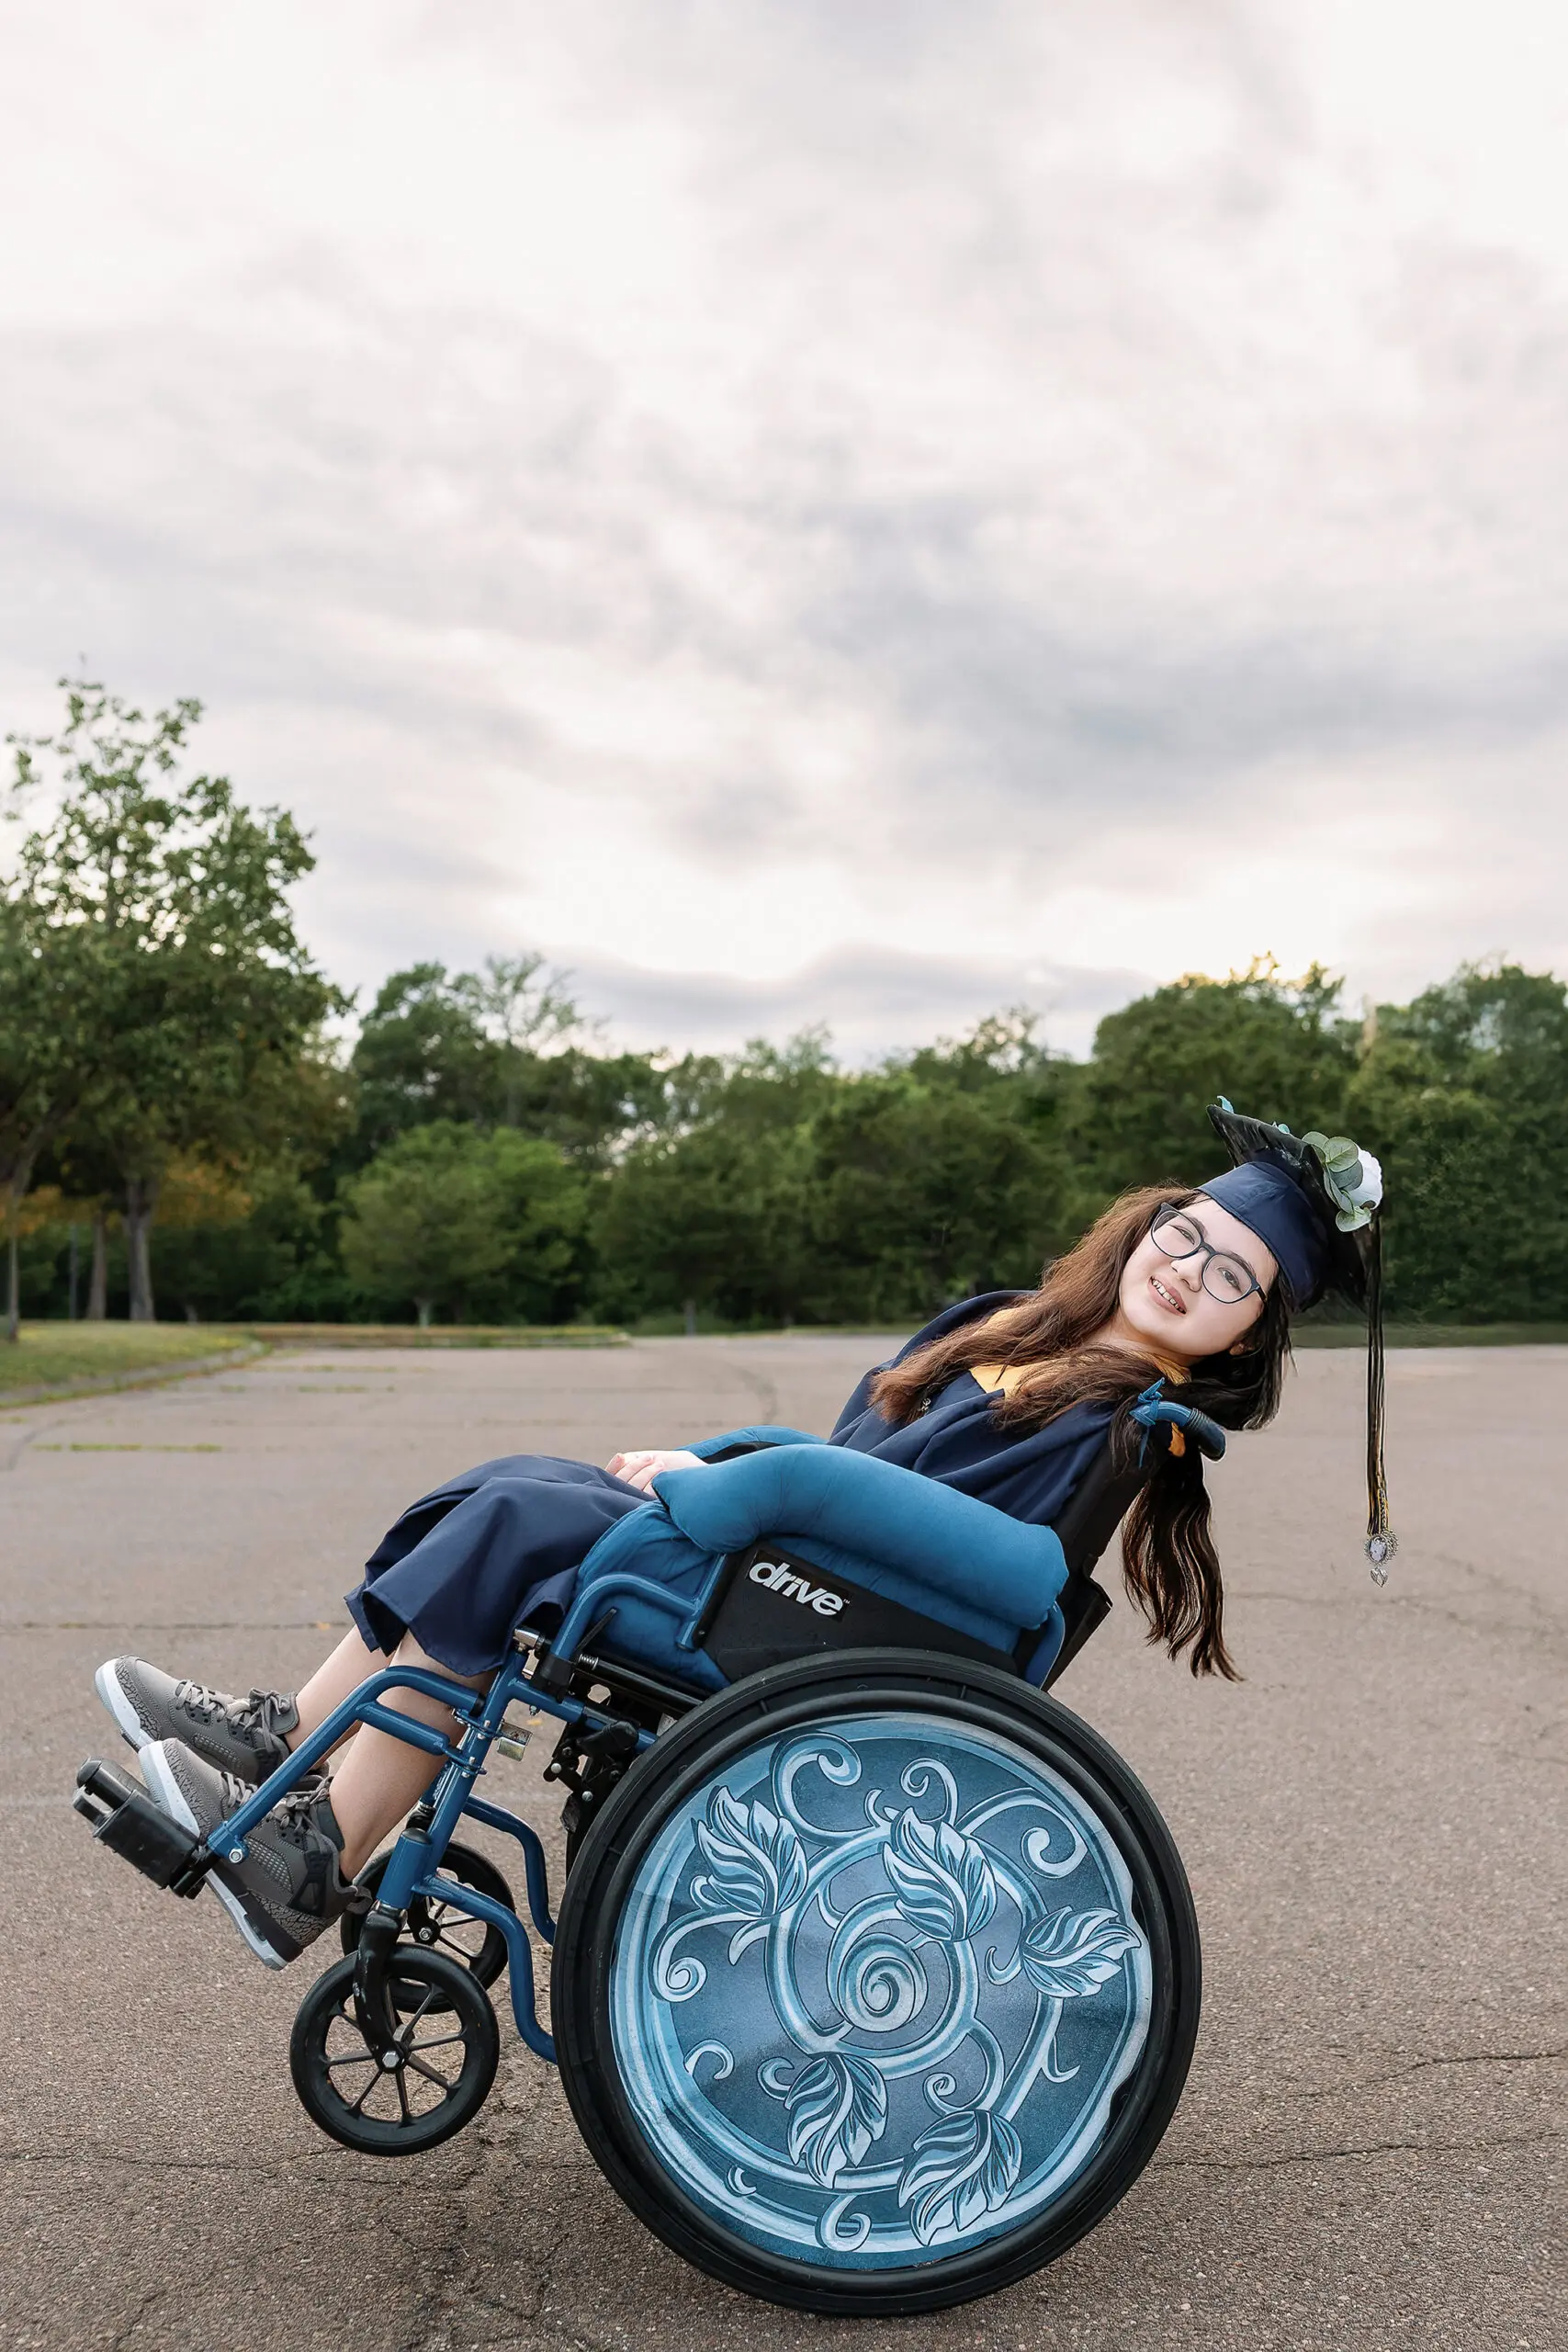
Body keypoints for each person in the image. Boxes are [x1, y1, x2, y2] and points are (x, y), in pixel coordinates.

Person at [93, 1100, 1390, 1971]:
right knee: (516, 1486)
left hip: (819, 1619)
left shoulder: (1122, 1423)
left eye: (1233, 1278)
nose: (1189, 1270)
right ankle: (288, 1747)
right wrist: (718, 1462)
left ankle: (314, 1855)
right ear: (1144, 1225)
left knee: (521, 1522)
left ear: (1247, 1335)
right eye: (1187, 1234)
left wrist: (747, 1492)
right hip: (785, 1565)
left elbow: (1016, 1575)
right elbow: (846, 1454)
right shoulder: (1006, 1329)